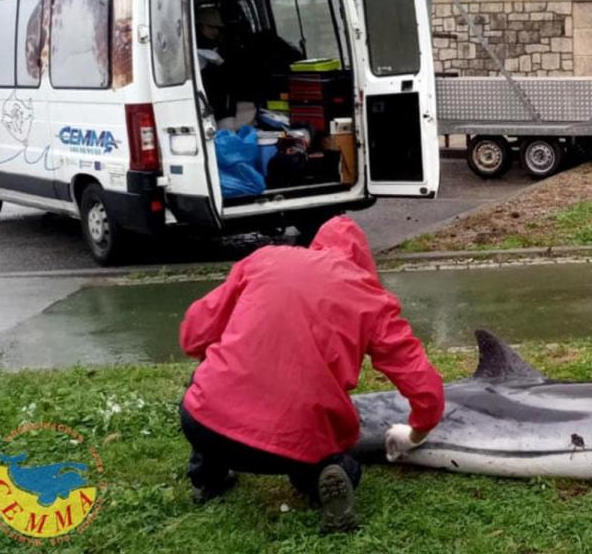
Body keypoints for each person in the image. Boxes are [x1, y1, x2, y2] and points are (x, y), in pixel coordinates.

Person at [177, 216, 445, 534]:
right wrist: (416, 432)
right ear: (363, 261)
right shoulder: (371, 299)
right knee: (321, 458)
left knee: (208, 384)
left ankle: (208, 479)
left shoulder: (266, 259)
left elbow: (194, 334)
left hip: (203, 425)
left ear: (317, 244)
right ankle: (325, 477)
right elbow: (421, 380)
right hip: (293, 443)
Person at [195, 7, 237, 127]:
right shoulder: (193, 45)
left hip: (224, 101)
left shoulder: (223, 46)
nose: (215, 32)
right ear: (200, 26)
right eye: (211, 27)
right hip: (203, 100)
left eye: (218, 28)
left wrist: (221, 62)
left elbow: (232, 75)